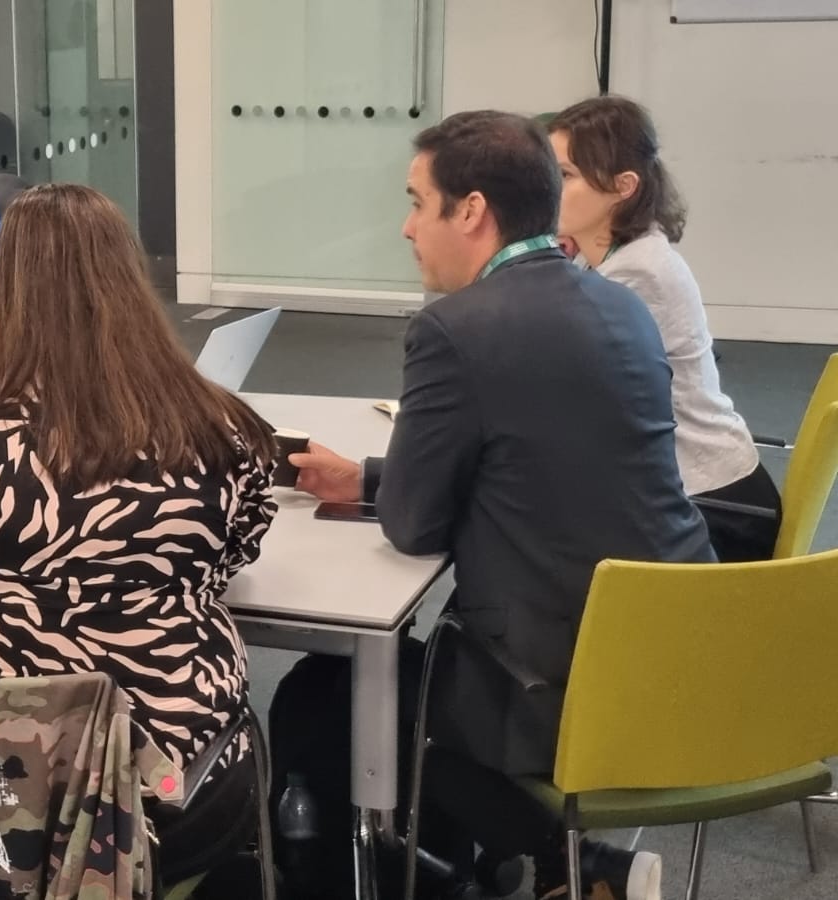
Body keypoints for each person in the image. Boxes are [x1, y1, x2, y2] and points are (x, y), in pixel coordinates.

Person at [276, 112, 715, 900]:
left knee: (320, 692)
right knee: (398, 683)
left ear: (471, 210)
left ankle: (562, 863)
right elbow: (534, 462)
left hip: (566, 679)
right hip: (679, 648)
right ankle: (544, 870)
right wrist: (371, 477)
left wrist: (391, 488)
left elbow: (416, 526)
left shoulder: (454, 328)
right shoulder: (617, 302)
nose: (406, 227)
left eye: (417, 202)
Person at [0, 183, 278, 890]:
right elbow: (231, 554)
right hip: (163, 789)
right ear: (126, 274)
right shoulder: (217, 427)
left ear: (5, 288)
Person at [548, 95, 781, 562]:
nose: (548, 187)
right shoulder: (620, 256)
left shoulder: (636, 274)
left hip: (713, 507)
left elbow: (564, 388)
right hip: (701, 488)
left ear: (622, 187)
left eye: (566, 175)